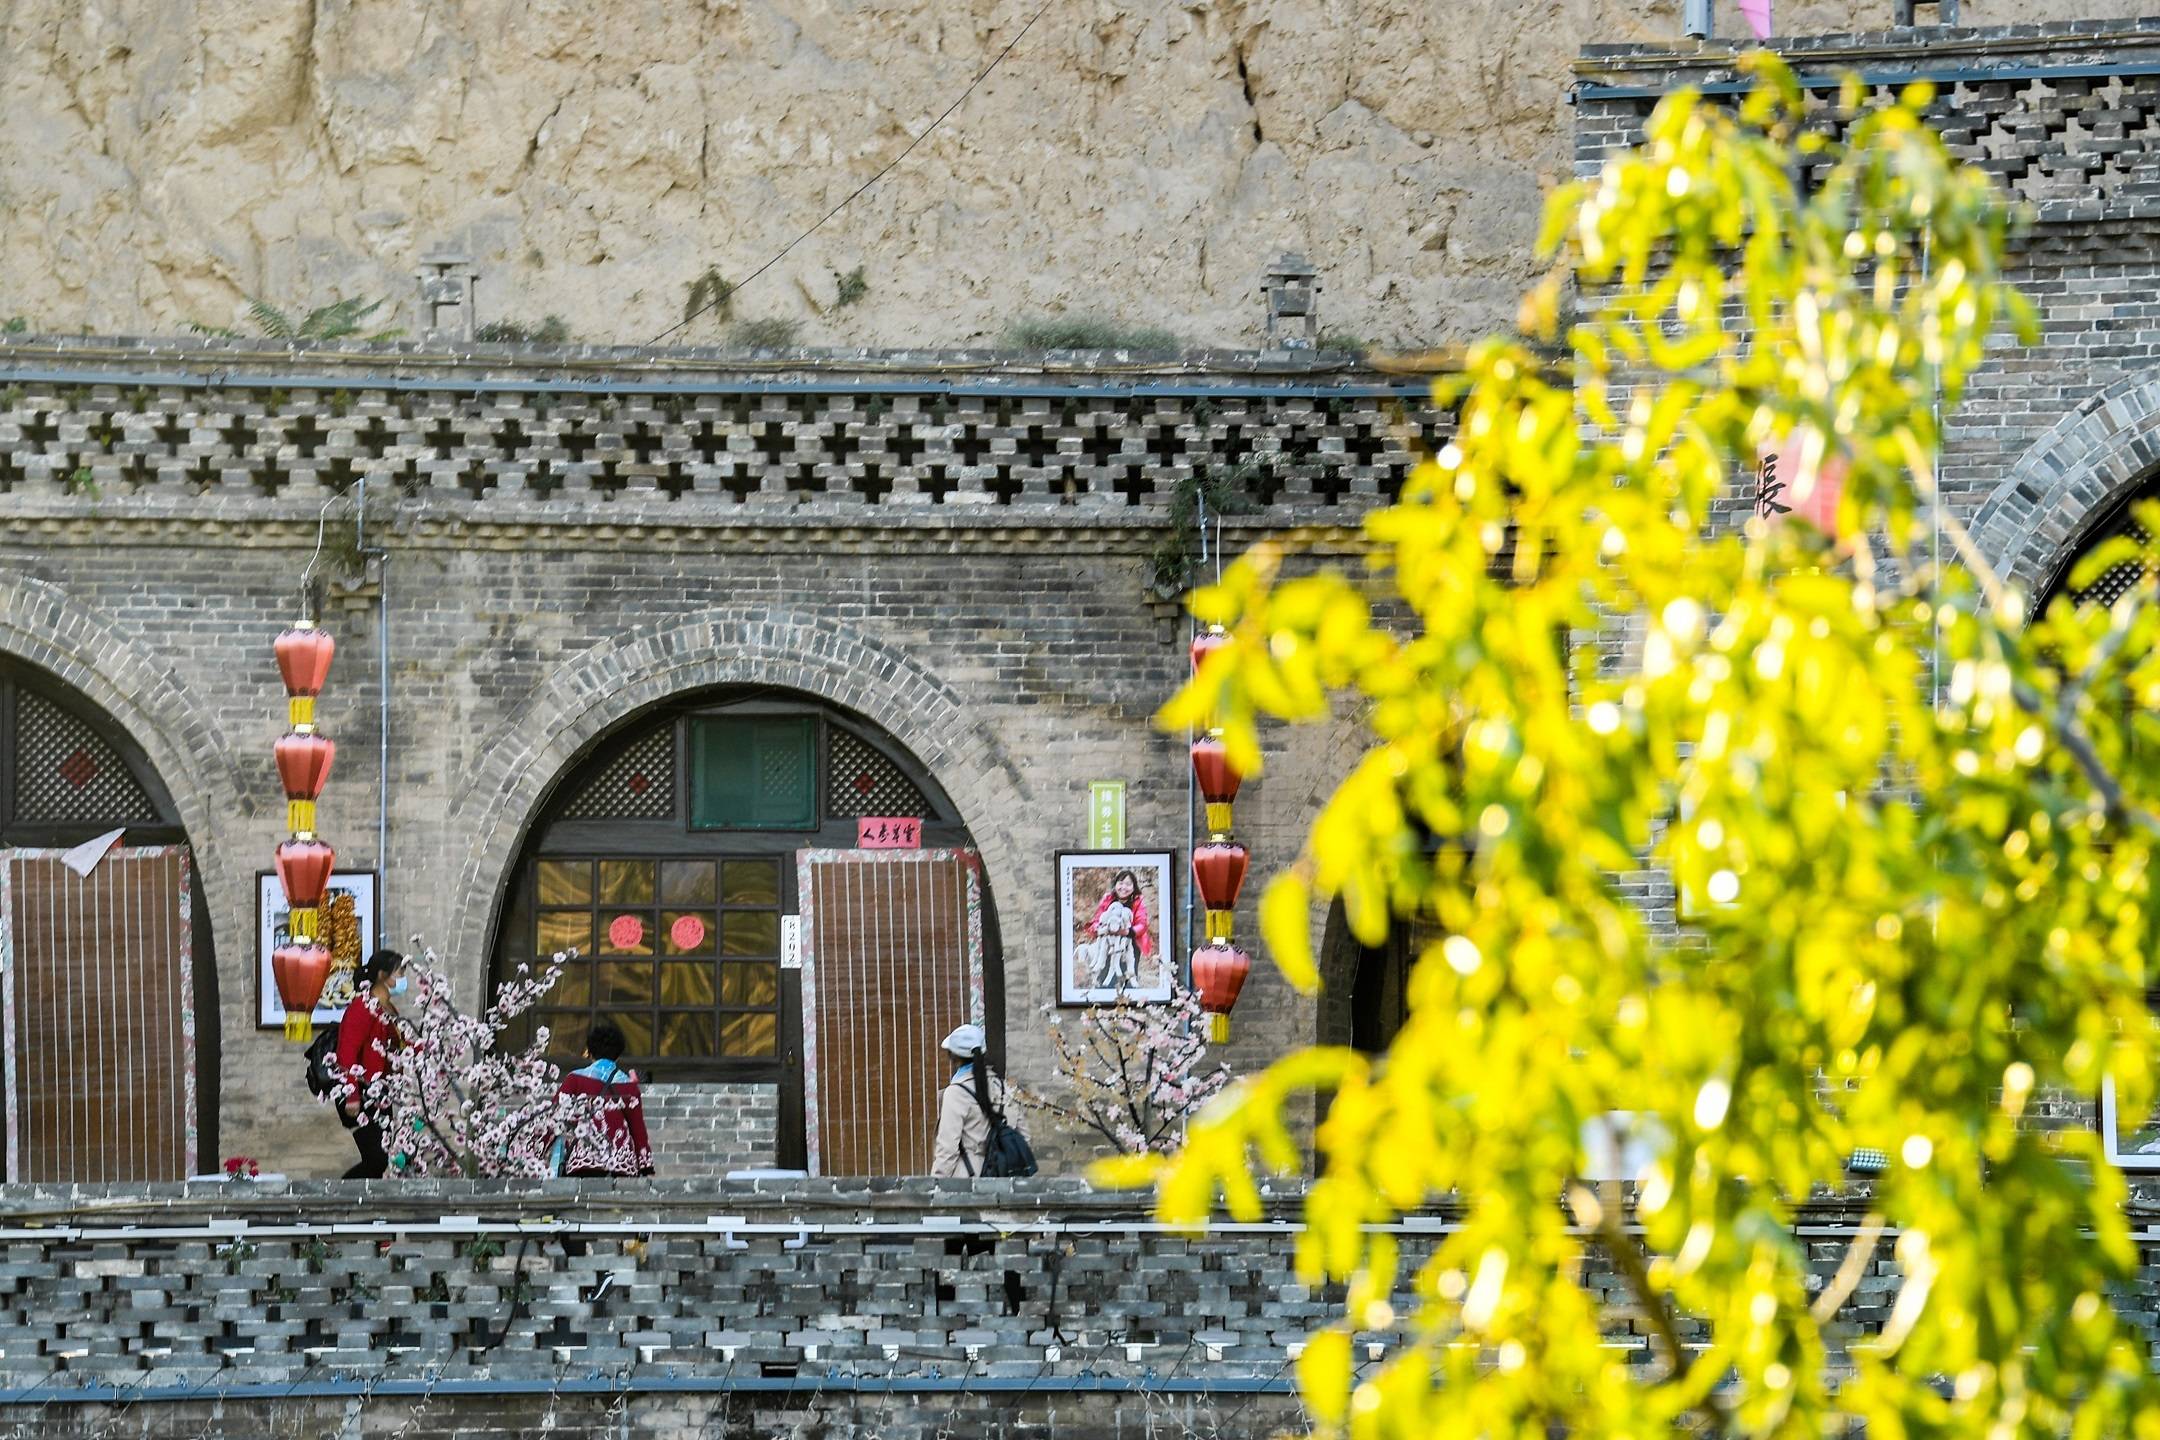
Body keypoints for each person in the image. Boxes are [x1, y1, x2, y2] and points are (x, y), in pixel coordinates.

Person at [335, 948, 407, 1179]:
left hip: (382, 1091)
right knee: (376, 1158)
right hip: (364, 1091)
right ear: (382, 975)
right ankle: (341, 1194)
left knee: (383, 1156)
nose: (403, 978)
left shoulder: (389, 1009)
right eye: (399, 972)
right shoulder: (363, 1007)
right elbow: (347, 1051)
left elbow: (402, 1044)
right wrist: (352, 1094)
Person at [553, 1020, 654, 1177]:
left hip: (583, 1161)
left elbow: (553, 1117)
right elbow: (638, 1130)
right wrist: (645, 1166)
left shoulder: (575, 1079)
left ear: (590, 1052)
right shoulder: (629, 1086)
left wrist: (530, 1154)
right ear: (618, 1054)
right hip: (621, 1164)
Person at [931, 1022, 1006, 1178]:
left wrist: (936, 1183)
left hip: (967, 1178)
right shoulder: (1004, 1088)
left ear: (953, 1056)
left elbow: (947, 1149)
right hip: (1003, 1176)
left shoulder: (956, 1093)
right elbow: (1023, 1135)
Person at [1078, 870, 1152, 992]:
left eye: (1128, 884)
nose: (1124, 887)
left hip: (1130, 942)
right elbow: (1097, 920)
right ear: (1115, 884)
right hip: (1108, 941)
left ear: (1134, 887)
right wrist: (1101, 929)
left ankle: (1130, 995)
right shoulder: (1108, 898)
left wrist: (1125, 932)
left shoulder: (1138, 901)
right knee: (1106, 974)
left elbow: (1142, 925)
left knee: (1127, 974)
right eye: (1121, 883)